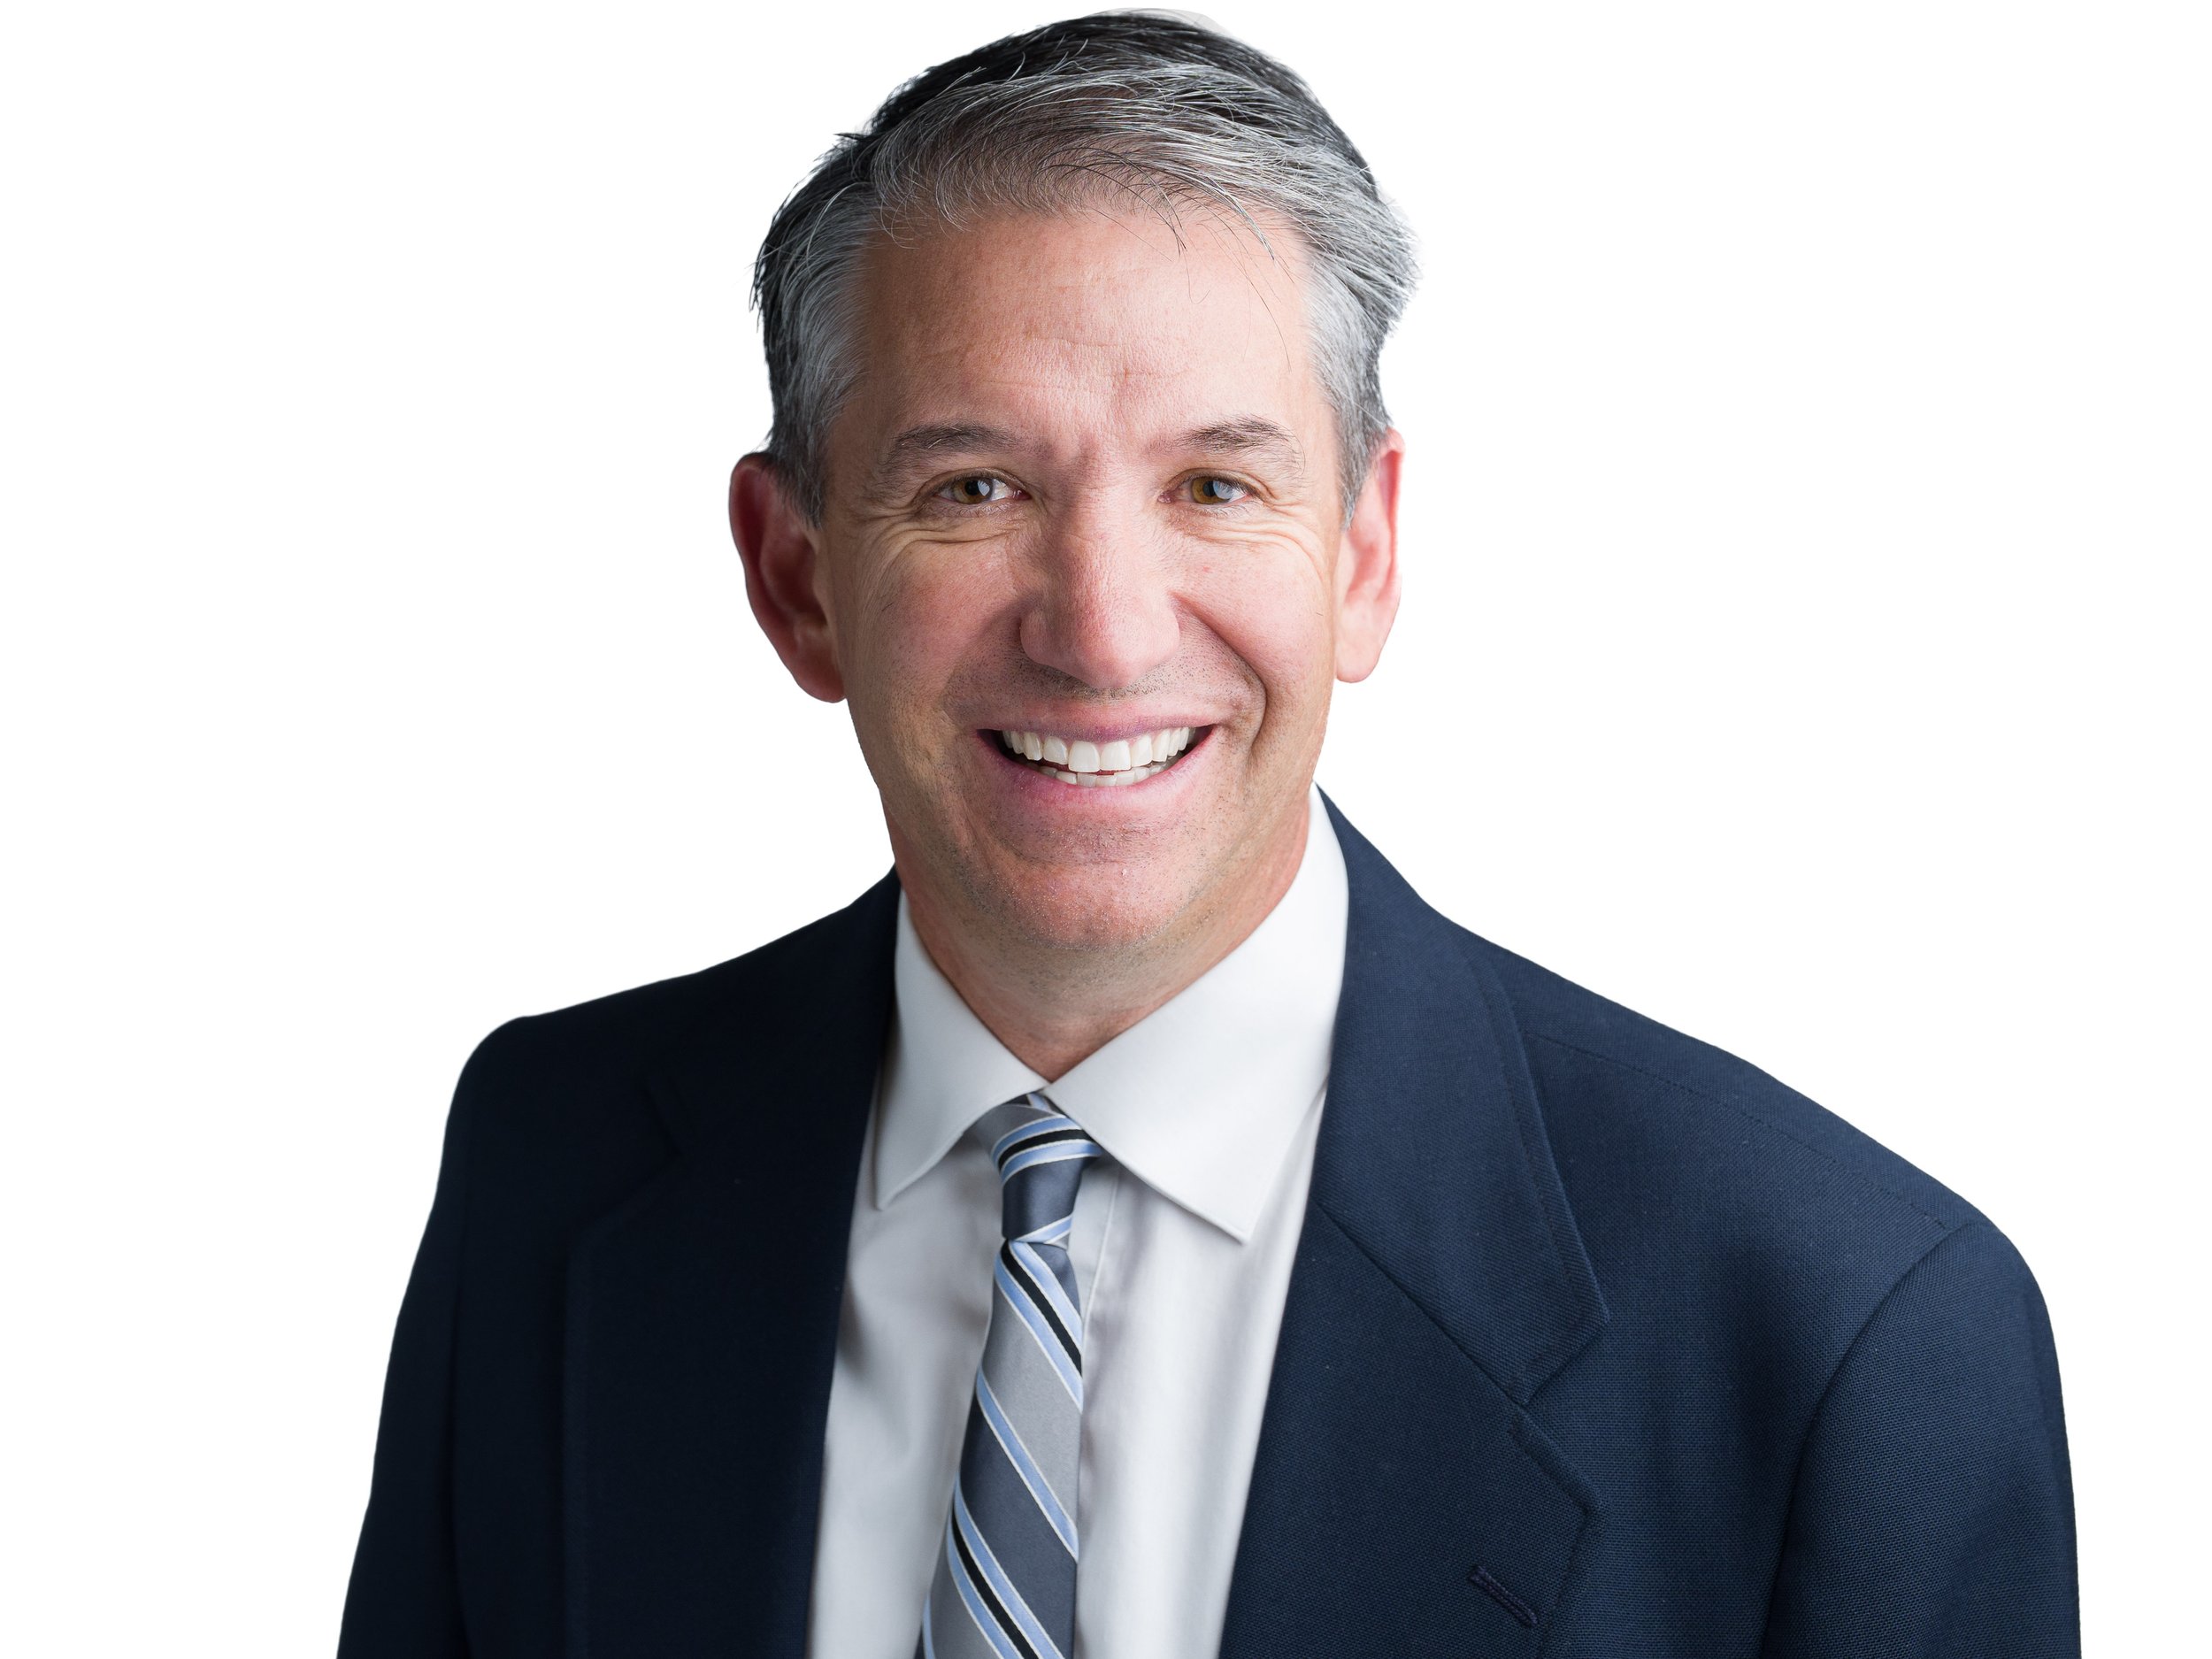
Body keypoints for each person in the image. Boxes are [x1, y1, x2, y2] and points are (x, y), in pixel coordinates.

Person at [337, 13, 2078, 1657]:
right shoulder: (552, 1164)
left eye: (1214, 484)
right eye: (974, 486)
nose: (1099, 631)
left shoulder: (1852, 1328)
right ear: (794, 575)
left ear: (1363, 553)